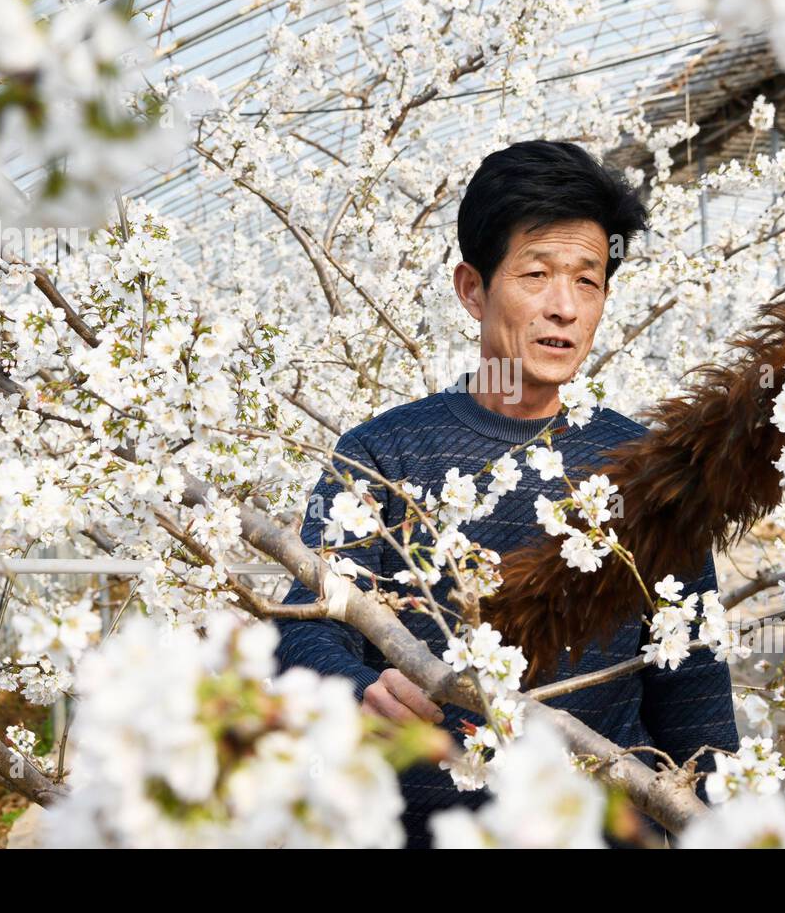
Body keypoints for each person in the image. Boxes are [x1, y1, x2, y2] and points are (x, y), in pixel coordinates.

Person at [275, 139, 740, 848]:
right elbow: (304, 621)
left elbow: (694, 689)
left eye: (588, 281)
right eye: (537, 274)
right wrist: (355, 688)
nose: (564, 306)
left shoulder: (651, 469)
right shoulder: (382, 453)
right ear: (472, 288)